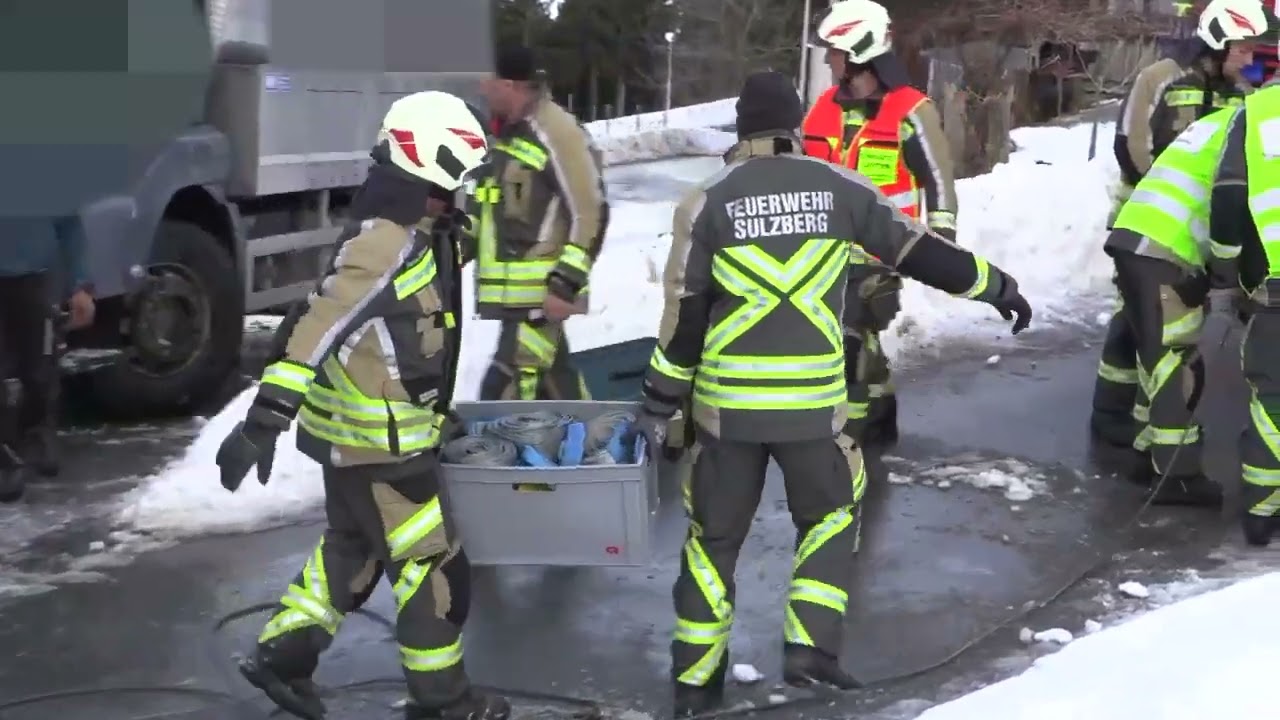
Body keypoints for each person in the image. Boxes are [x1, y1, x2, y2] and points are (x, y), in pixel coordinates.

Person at [632, 71, 1032, 718]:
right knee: (829, 517)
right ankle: (810, 649)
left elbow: (683, 316)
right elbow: (919, 250)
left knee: (712, 541)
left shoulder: (705, 202)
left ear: (741, 129)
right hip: (814, 408)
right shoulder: (842, 188)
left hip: (727, 410)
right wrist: (996, 285)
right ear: (794, 126)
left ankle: (695, 682)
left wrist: (659, 399)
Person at [214, 91, 510, 720]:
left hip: (366, 440)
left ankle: (283, 656)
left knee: (353, 549)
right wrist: (264, 420)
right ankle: (443, 700)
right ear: (424, 165)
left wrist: (436, 413)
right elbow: (315, 326)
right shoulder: (385, 240)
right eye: (453, 177)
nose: (458, 192)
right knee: (432, 569)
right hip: (382, 448)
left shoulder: (415, 231)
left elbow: (400, 340)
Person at [1092, 0, 1271, 448]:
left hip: (1194, 231)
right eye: (1243, 49)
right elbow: (1130, 144)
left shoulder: (1241, 96)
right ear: (1218, 43)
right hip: (1150, 221)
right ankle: (1113, 413)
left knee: (1164, 324)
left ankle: (1138, 420)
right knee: (1139, 320)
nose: (1250, 60)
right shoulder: (1160, 77)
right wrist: (1161, 198)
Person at [801, 0, 959, 448]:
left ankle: (849, 437)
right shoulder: (822, 109)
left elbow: (939, 183)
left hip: (881, 256)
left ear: (858, 51)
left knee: (848, 340)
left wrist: (940, 246)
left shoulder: (912, 111)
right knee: (856, 338)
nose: (828, 60)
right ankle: (881, 409)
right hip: (825, 255)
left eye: (834, 52)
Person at [472, 46, 608, 401]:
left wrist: (565, 285)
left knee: (503, 390)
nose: (481, 87)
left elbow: (591, 210)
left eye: (488, 80)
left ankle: (489, 438)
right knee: (556, 384)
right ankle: (594, 432)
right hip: (519, 302)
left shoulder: (557, 130)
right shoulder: (508, 134)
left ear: (509, 84)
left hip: (542, 298)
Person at [1206, 79, 1280, 545]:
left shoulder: (1258, 109)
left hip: (1276, 282)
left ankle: (1262, 510)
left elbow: (1230, 194)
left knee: (1274, 395)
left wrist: (1226, 274)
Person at [0, 216, 94, 502]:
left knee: (40, 366)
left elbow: (70, 224)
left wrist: (80, 286)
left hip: (36, 277)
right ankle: (6, 456)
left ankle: (38, 432)